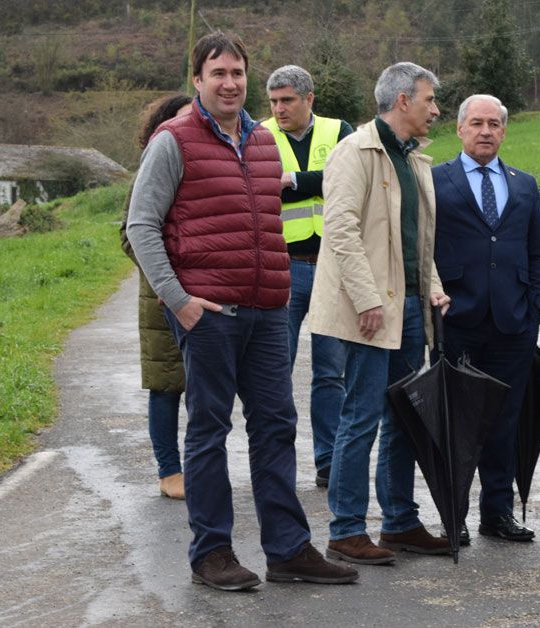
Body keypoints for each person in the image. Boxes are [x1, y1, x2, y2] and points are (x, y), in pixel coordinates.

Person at [126, 32, 357, 591]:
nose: (229, 83)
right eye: (217, 73)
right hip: (210, 315)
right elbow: (140, 226)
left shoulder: (261, 141)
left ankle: (288, 550)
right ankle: (212, 554)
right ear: (197, 81)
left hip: (268, 310)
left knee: (277, 426)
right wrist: (178, 301)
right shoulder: (173, 140)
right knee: (208, 430)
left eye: (237, 73)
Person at [306, 62, 452, 565]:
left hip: (409, 307)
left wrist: (431, 288)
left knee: (404, 419)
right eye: (429, 100)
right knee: (361, 417)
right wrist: (367, 298)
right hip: (371, 310)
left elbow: (416, 239)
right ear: (402, 100)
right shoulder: (356, 151)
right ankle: (346, 530)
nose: (435, 110)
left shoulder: (413, 159)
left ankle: (399, 523)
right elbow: (341, 229)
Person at [432, 94, 540, 543]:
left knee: (505, 420)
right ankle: (454, 515)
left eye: (494, 124)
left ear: (504, 130)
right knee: (459, 421)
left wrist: (536, 303)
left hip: (512, 323)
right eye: (477, 123)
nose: (485, 131)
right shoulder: (436, 179)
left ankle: (496, 512)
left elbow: (538, 249)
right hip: (457, 317)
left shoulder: (522, 184)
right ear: (460, 129)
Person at [261, 65, 355, 489]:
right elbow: (260, 187)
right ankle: (275, 462)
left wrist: (294, 180)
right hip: (282, 268)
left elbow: (352, 181)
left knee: (330, 373)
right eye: (274, 101)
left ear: (309, 99)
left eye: (288, 100)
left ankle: (328, 462)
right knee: (274, 370)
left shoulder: (340, 131)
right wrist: (318, 183)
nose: (279, 109)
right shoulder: (259, 134)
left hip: (332, 268)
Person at [120, 93, 193, 501]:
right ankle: (170, 471)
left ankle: (199, 465)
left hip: (206, 291)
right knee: (167, 385)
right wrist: (167, 276)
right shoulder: (154, 164)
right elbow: (130, 234)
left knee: (206, 387)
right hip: (162, 296)